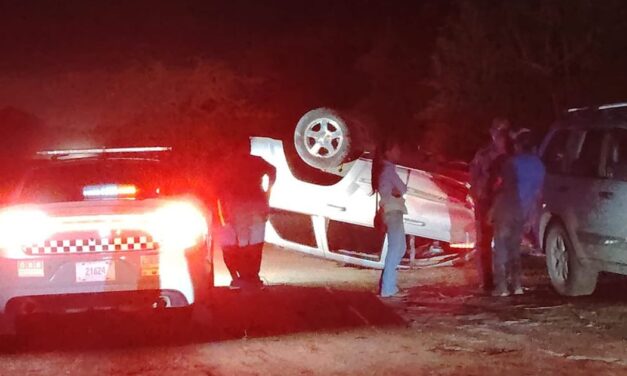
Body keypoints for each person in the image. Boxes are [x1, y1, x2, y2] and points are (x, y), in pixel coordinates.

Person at [490, 130, 545, 296]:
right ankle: (517, 285)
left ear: (518, 146)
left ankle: (501, 287)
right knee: (514, 248)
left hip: (507, 207)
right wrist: (532, 217)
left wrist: (492, 208)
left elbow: (504, 188)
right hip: (523, 212)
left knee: (500, 247)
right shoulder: (539, 166)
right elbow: (538, 194)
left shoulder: (511, 163)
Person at [216, 138, 276, 289]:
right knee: (255, 242)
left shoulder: (228, 163)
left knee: (241, 241)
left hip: (238, 206)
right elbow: (273, 171)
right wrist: (267, 191)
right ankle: (252, 276)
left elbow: (219, 187)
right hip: (256, 203)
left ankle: (242, 276)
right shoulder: (256, 161)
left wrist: (224, 207)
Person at [469, 118, 511, 293]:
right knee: (484, 242)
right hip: (486, 201)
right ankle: (487, 281)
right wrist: (478, 196)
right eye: (497, 131)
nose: (500, 135)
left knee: (506, 241)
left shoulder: (512, 153)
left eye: (504, 131)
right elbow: (473, 177)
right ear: (492, 133)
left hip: (505, 202)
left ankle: (504, 280)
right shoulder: (483, 154)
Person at [371, 139, 408, 298]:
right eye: (396, 149)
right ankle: (388, 287)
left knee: (399, 248)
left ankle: (388, 284)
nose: (399, 152)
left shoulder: (385, 169)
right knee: (396, 249)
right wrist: (396, 191)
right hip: (393, 211)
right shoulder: (388, 170)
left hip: (391, 210)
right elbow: (401, 188)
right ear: (388, 152)